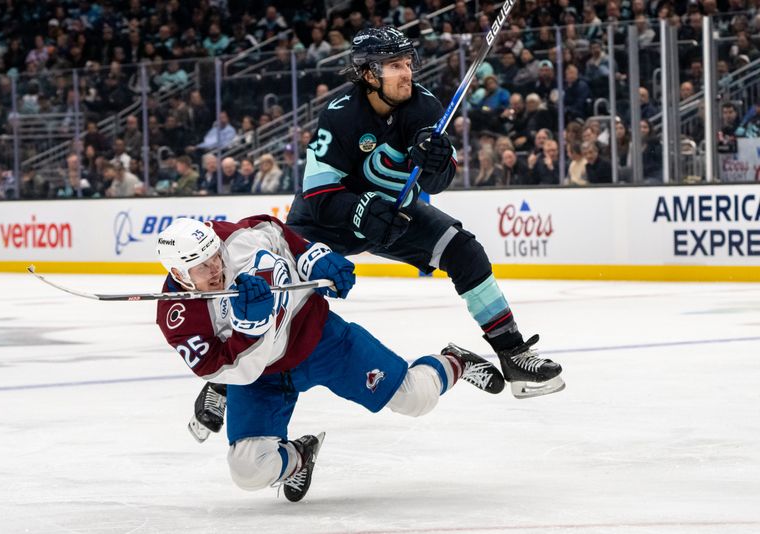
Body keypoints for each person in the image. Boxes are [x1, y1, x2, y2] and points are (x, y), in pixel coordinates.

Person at [285, 27, 564, 399]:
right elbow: (318, 193)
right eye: (394, 65)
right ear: (369, 74)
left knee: (464, 250)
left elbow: (438, 181)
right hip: (326, 221)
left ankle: (513, 354)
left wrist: (434, 161)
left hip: (394, 214)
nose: (407, 73)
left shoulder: (424, 106)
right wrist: (361, 209)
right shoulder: (340, 117)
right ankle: (225, 384)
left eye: (407, 63)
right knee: (282, 282)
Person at [155, 217, 505, 501]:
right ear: (179, 274)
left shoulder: (232, 240)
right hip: (261, 378)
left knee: (416, 398)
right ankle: (300, 457)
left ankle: (455, 360)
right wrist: (250, 327)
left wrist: (312, 257)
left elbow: (275, 233)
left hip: (319, 338)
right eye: (201, 267)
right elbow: (233, 372)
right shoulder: (179, 319)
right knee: (248, 470)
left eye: (214, 256)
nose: (215, 268)